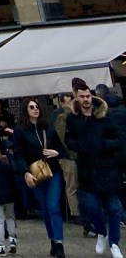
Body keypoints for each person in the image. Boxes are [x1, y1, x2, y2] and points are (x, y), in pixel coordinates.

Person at [65, 77, 125, 258]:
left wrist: (105, 145)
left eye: (88, 96)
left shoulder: (104, 115)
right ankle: (101, 233)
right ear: (77, 97)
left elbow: (119, 138)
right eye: (82, 96)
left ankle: (114, 243)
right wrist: (81, 146)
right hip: (87, 170)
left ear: (92, 96)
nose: (86, 99)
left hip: (107, 169)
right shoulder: (73, 119)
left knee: (114, 208)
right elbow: (69, 140)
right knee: (92, 208)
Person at [10, 97, 65, 258]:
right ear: (25, 110)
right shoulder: (20, 130)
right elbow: (18, 154)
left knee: (53, 206)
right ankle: (53, 240)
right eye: (32, 107)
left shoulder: (48, 127)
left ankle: (59, 243)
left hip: (52, 171)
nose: (36, 109)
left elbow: (61, 148)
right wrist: (25, 172)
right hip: (35, 174)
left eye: (37, 106)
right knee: (45, 209)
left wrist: (56, 152)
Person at [52, 92, 79, 224]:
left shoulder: (74, 116)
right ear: (62, 103)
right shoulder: (62, 117)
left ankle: (77, 211)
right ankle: (75, 212)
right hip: (68, 157)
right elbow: (61, 139)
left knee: (74, 184)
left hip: (73, 155)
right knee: (72, 185)